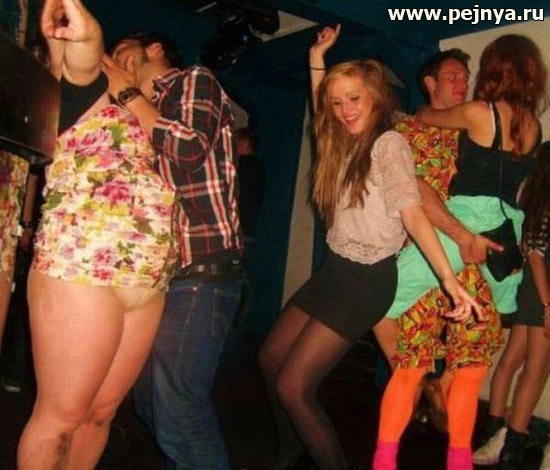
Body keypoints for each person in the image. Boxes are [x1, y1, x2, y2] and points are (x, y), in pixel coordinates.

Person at [258, 50, 482, 469]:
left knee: (293, 387)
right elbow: (322, 109)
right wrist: (315, 59)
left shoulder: (388, 145)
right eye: (338, 102)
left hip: (366, 282)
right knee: (270, 357)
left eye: (354, 98)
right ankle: (290, 450)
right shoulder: (343, 140)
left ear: (375, 97)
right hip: (335, 271)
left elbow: (412, 212)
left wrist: (449, 280)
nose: (345, 109)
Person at [374, 34, 547, 470]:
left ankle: (421, 448)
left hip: (469, 236)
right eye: (452, 75)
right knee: (445, 364)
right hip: (486, 238)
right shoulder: (531, 123)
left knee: (459, 360)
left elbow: (433, 118)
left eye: (468, 74)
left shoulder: (475, 115)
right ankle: (434, 446)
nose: (463, 81)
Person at [16, 0, 177, 468]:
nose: (120, 58)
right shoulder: (82, 91)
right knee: (60, 418)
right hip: (83, 270)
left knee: (99, 416)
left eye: (128, 51)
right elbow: (84, 58)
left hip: (148, 280)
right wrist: (86, 34)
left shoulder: (159, 116)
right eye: (116, 51)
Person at [102, 26, 244, 470]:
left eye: (121, 50)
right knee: (149, 401)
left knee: (179, 408)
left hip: (203, 270)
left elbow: (188, 147)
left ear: (155, 49)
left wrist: (127, 94)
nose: (113, 61)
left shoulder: (193, 80)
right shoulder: (136, 116)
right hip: (162, 277)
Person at [473, 141, 550, 469]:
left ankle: (494, 431)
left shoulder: (532, 194)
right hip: (541, 290)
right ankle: (511, 446)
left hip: (530, 288)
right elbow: (536, 253)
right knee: (537, 367)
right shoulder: (546, 200)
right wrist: (547, 305)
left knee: (513, 359)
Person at [235, 127, 265, 246]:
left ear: (243, 143)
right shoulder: (258, 166)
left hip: (237, 225)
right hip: (248, 226)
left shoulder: (240, 166)